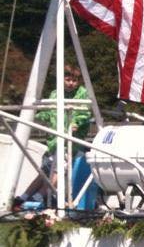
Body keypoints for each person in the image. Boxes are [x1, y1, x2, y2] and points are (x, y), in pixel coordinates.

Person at [17, 64, 91, 207]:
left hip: (71, 141)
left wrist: (75, 122)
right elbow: (49, 112)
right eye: (68, 79)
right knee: (44, 171)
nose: (71, 83)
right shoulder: (55, 93)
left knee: (59, 168)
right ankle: (24, 197)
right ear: (62, 79)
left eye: (74, 81)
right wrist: (36, 115)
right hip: (54, 140)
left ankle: (40, 196)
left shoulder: (82, 93)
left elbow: (84, 112)